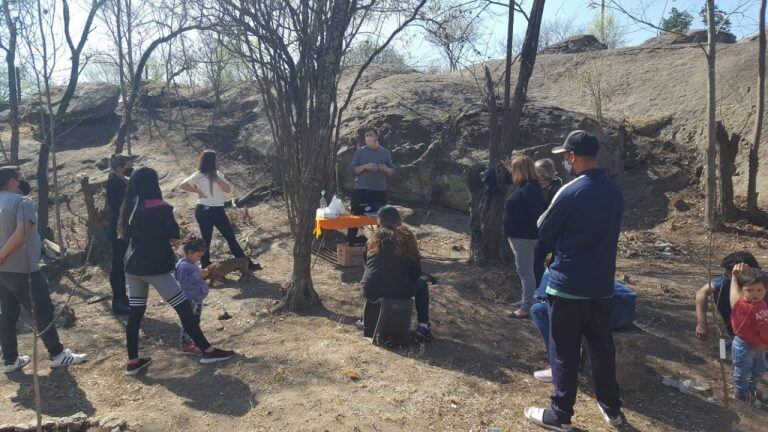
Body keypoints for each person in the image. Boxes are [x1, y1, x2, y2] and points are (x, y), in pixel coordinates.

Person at [525, 130, 624, 431]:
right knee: (602, 349)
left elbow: (544, 230)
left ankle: (561, 414)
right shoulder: (614, 190)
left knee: (564, 351)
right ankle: (612, 409)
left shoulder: (571, 190)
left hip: (568, 285)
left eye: (566, 157)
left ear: (572, 157)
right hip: (602, 285)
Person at [120, 167, 234, 375]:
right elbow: (173, 234)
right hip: (155, 267)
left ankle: (133, 361)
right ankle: (207, 351)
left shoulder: (130, 207)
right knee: (183, 309)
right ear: (154, 185)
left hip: (132, 267)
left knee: (135, 314)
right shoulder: (161, 207)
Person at [0, 166, 88, 373]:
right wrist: (3, 253)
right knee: (42, 310)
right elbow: (22, 232)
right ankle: (57, 354)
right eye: (20, 178)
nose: (22, 181)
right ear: (12, 181)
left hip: (2, 272)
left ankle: (10, 360)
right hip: (24, 270)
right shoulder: (23, 202)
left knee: (7, 313)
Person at [530, 269, 637, 384]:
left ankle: (558, 366)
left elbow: (547, 299)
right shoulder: (586, 261)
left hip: (610, 307)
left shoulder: (554, 269)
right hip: (627, 307)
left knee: (539, 310)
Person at [178, 150, 260, 270]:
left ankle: (246, 263)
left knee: (230, 237)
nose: (218, 161)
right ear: (210, 161)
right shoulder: (198, 175)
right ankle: (206, 266)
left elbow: (227, 189)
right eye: (216, 159)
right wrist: (198, 191)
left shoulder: (218, 174)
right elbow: (182, 185)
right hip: (204, 210)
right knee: (206, 239)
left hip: (218, 210)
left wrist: (215, 177)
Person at [361, 206, 432, 340]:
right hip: (398, 291)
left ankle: (364, 320)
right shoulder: (407, 238)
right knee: (423, 283)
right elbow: (417, 272)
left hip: (369, 290)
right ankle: (423, 326)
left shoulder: (372, 239)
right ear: (399, 221)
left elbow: (367, 266)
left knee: (375, 279)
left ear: (379, 221)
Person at [501, 154, 545, 319]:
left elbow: (537, 214)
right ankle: (527, 300)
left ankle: (526, 308)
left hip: (526, 237)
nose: (512, 173)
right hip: (522, 236)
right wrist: (509, 168)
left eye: (514, 169)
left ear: (521, 171)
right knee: (527, 271)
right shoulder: (527, 185)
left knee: (525, 271)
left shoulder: (531, 188)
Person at [695, 251, 764, 341]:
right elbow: (701, 292)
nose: (727, 275)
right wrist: (702, 323)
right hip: (743, 336)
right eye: (728, 272)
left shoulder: (762, 281)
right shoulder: (725, 282)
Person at [728, 263, 768, 405]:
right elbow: (741, 329)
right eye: (749, 290)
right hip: (745, 345)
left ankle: (751, 388)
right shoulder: (743, 307)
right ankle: (741, 392)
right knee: (743, 369)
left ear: (765, 290)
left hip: (760, 345)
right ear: (741, 290)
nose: (755, 294)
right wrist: (757, 343)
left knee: (760, 368)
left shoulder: (762, 304)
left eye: (759, 290)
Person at [347, 127, 395, 245]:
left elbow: (393, 171)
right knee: (356, 218)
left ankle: (382, 244)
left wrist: (386, 169)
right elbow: (352, 169)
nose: (367, 137)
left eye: (370, 135)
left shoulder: (385, 153)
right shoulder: (360, 152)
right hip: (361, 190)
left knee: (382, 218)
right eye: (366, 135)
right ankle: (351, 243)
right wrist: (365, 166)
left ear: (376, 137)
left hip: (379, 191)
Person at [106, 154, 134, 315]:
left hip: (125, 227)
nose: (131, 167)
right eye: (129, 165)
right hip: (118, 229)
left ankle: (124, 298)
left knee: (123, 264)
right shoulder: (113, 182)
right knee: (118, 265)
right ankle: (118, 301)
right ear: (120, 167)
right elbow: (118, 205)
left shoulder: (123, 180)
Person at [175, 236, 210, 355]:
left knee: (195, 320)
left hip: (196, 298)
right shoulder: (184, 265)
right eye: (198, 256)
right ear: (190, 252)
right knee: (190, 321)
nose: (199, 259)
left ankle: (195, 339)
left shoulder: (190, 264)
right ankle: (185, 343)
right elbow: (185, 282)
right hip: (190, 299)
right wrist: (199, 275)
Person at [533, 158, 563, 288]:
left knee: (552, 263)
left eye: (538, 172)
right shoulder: (539, 186)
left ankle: (546, 290)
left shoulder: (555, 187)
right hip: (540, 230)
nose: (535, 175)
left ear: (544, 173)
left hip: (551, 231)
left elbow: (550, 211)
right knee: (536, 261)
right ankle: (539, 289)